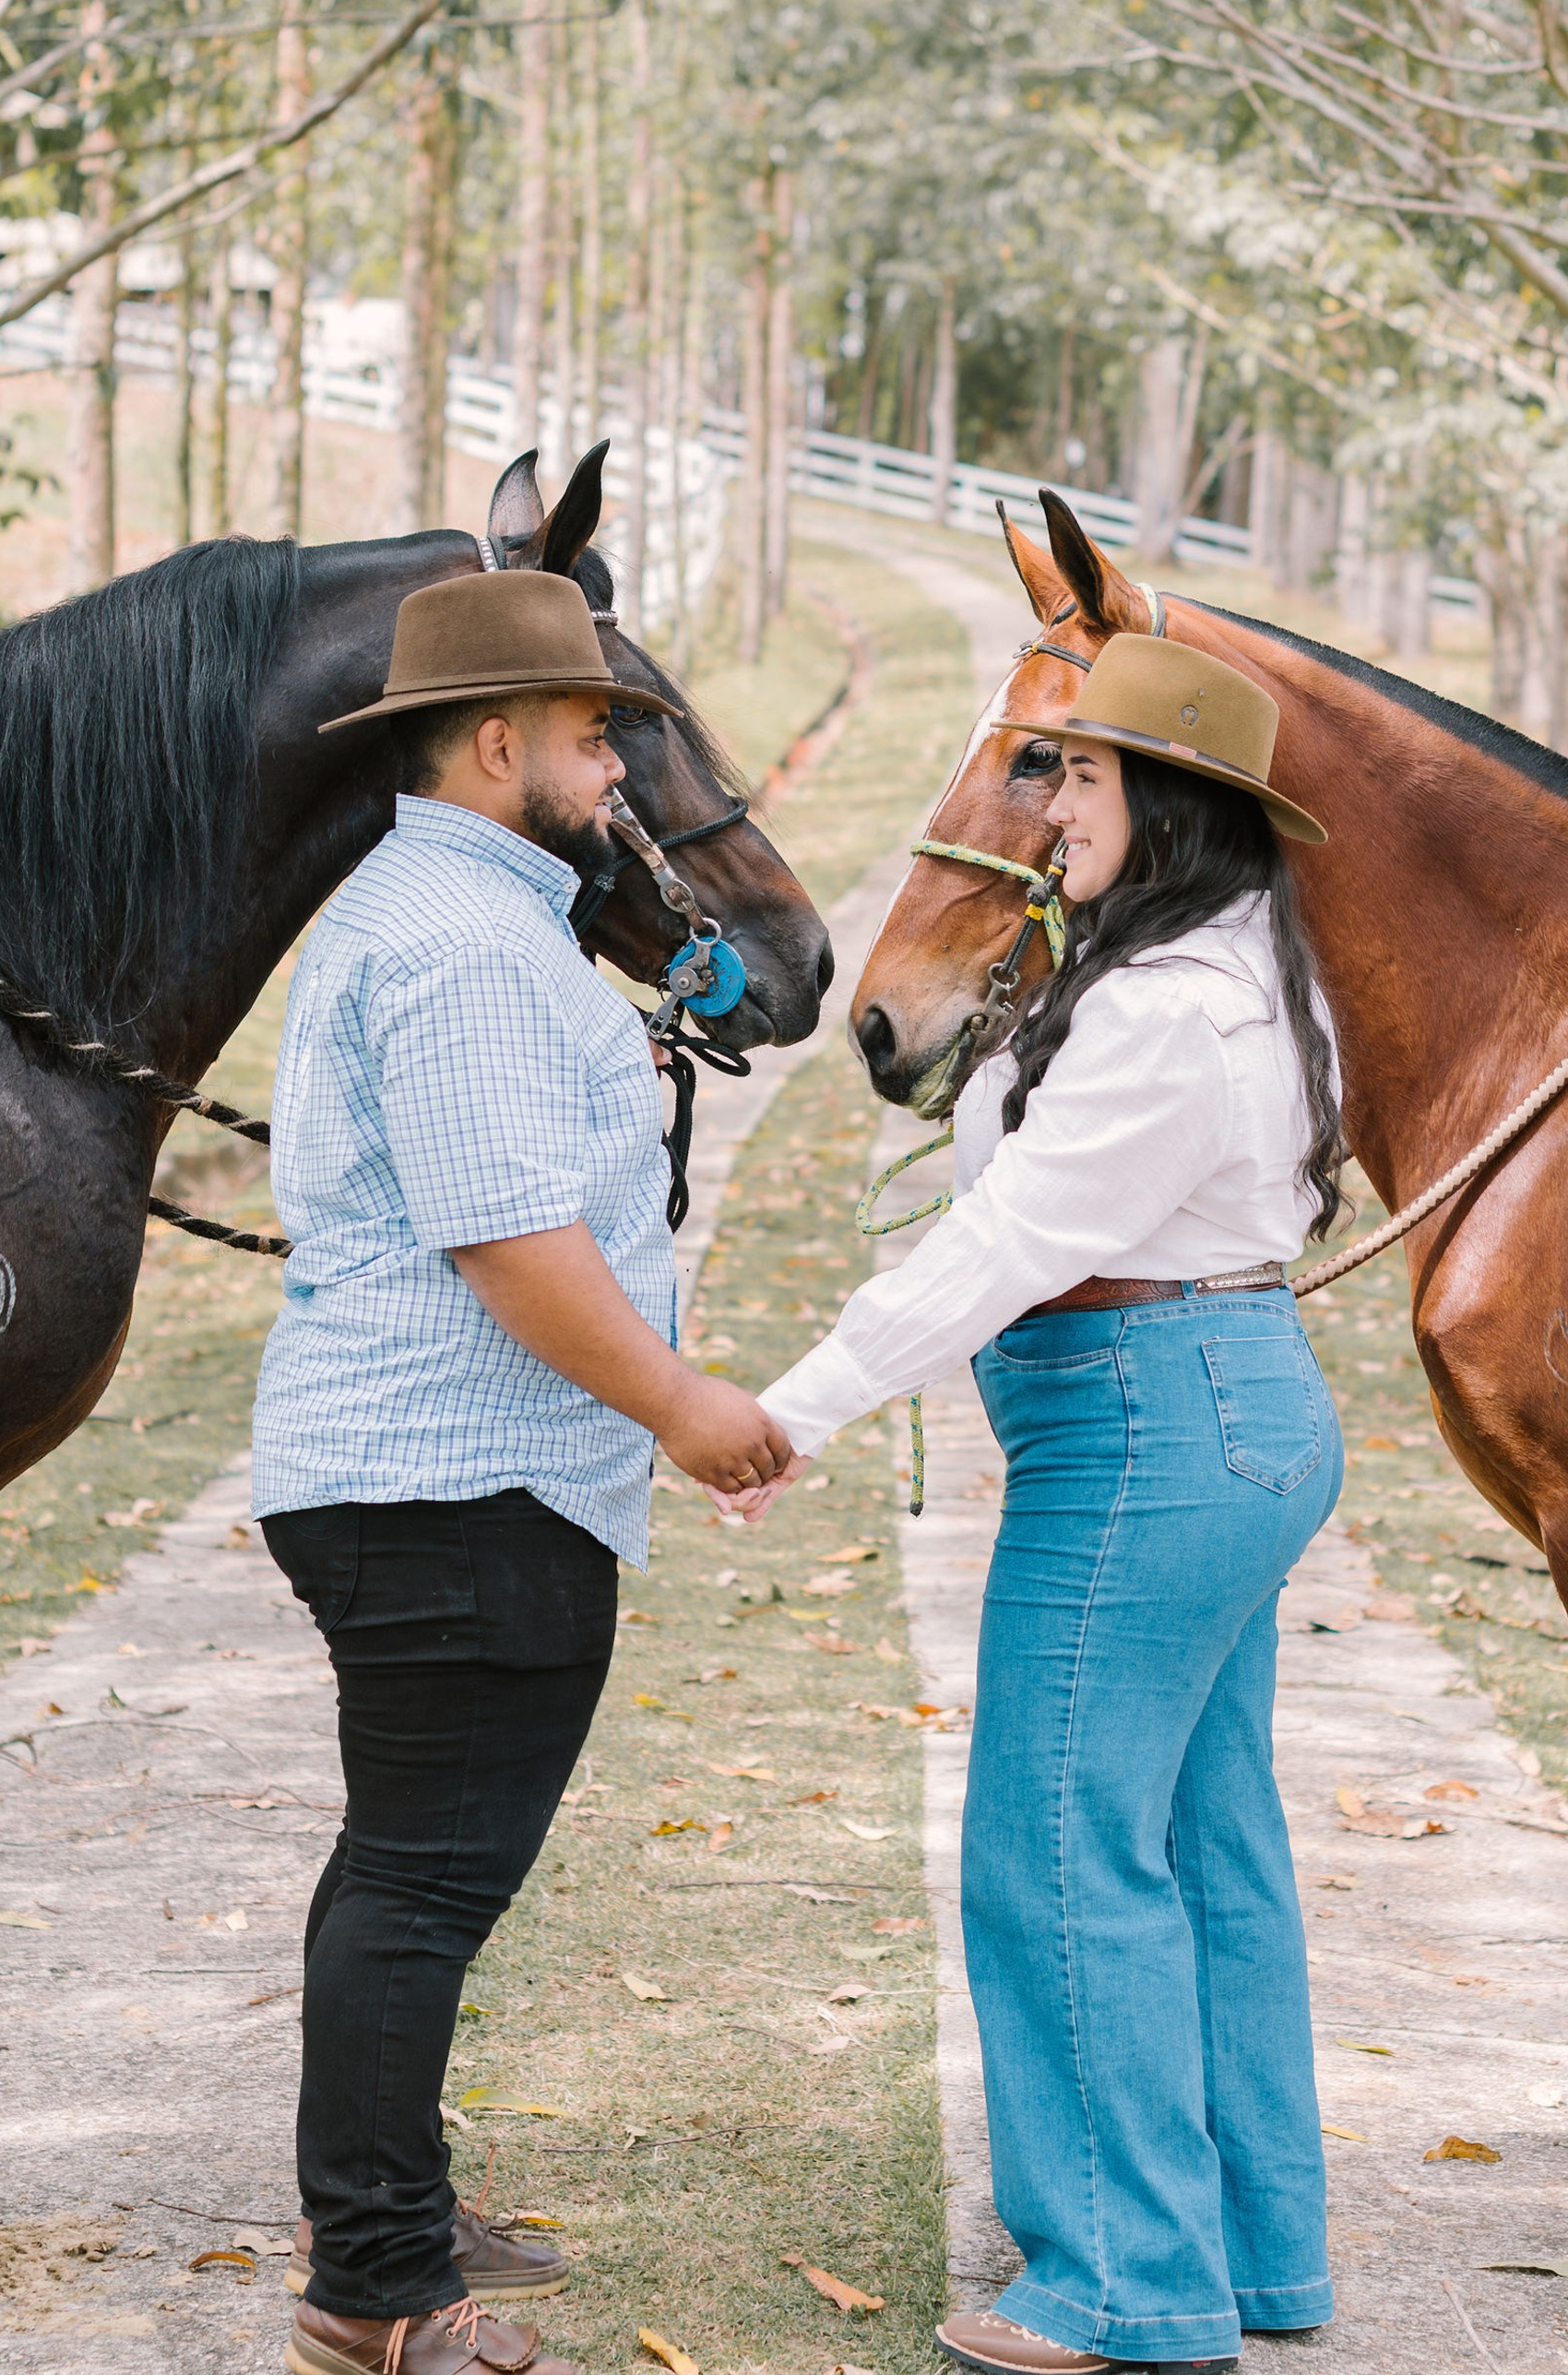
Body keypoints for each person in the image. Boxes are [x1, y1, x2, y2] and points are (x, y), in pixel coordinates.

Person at [726, 634, 1346, 2375]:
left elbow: (1002, 1243)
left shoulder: (1161, 1014)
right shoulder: (1234, 967)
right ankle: (1247, 2247)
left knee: (1059, 1850)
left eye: (1081, 775)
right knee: (1206, 1849)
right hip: (1216, 1414)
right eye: (1051, 770)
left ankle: (1123, 2284)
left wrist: (790, 1409)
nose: (1049, 804)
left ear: (1175, 808)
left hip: (1146, 1436)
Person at [254, 568, 794, 2375]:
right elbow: (508, 1238)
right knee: (419, 1879)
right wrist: (679, 1402)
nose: (612, 774)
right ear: (498, 744)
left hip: (439, 1475)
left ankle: (380, 2202)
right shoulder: (465, 944)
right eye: (589, 738)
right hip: (451, 1482)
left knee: (405, 1868)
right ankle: (380, 2285)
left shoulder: (459, 911)